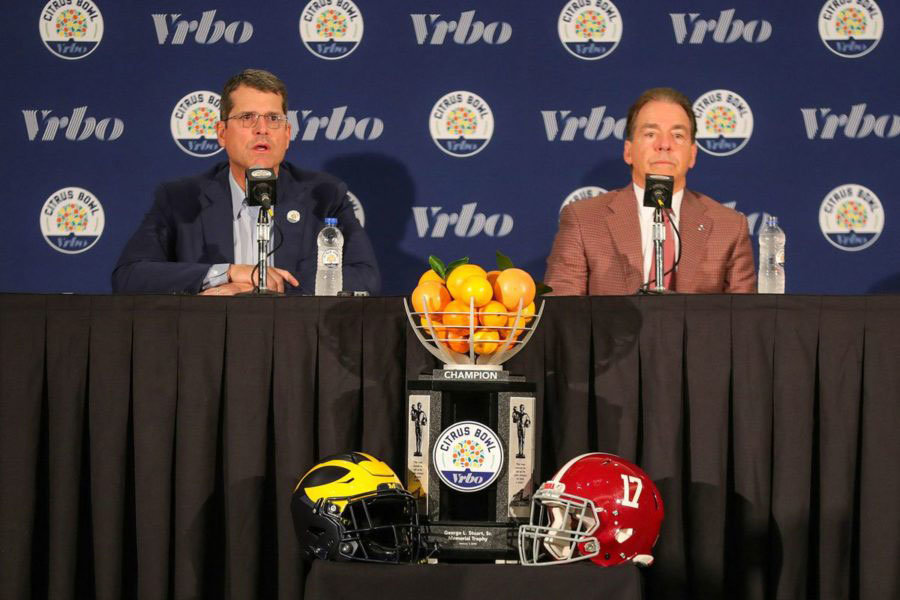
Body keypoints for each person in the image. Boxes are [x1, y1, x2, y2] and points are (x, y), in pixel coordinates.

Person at [112, 69, 380, 295]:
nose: (261, 128)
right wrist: (226, 274)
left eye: (273, 119)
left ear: (287, 135)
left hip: (297, 343)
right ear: (221, 133)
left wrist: (263, 285)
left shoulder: (325, 196)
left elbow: (366, 278)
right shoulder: (180, 199)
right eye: (247, 117)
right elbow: (129, 276)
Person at [544, 87, 755, 295]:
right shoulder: (584, 220)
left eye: (678, 135)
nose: (664, 145)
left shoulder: (729, 228)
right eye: (651, 134)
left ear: (692, 155)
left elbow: (744, 319)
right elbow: (563, 312)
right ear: (628, 151)